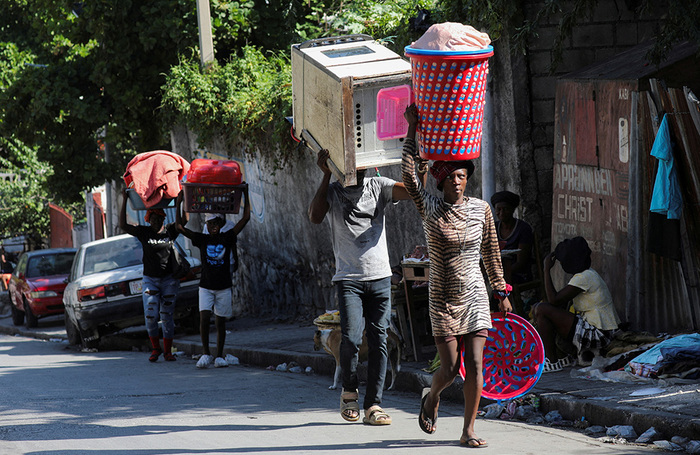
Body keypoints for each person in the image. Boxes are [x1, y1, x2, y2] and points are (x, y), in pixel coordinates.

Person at [402, 104, 512, 448]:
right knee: (449, 370)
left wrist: (500, 289)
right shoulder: (430, 207)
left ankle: (468, 430)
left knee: (476, 365)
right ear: (441, 181)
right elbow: (408, 177)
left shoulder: (481, 209)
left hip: (476, 295)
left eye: (462, 176)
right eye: (451, 177)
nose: (457, 182)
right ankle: (432, 396)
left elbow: (491, 252)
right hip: (442, 298)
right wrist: (412, 129)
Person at [308, 149, 417, 426]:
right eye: (349, 167)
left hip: (379, 277)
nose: (356, 172)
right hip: (349, 279)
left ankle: (374, 405)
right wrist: (325, 175)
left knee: (380, 341)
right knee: (352, 339)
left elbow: (414, 192)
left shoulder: (379, 186)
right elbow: (315, 216)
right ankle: (349, 394)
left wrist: (418, 167)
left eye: (360, 166)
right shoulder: (332, 192)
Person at [175, 185, 250, 369]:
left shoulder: (227, 237)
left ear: (221, 224)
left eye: (217, 223)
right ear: (207, 225)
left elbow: (245, 218)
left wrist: (246, 194)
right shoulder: (202, 239)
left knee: (220, 322)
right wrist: (179, 202)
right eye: (211, 224)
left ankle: (219, 355)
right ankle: (206, 354)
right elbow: (178, 226)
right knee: (203, 318)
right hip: (206, 286)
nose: (214, 226)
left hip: (223, 286)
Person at [532, 236, 621, 372]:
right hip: (597, 332)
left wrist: (546, 270)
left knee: (542, 309)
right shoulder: (586, 275)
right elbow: (557, 304)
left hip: (600, 335)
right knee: (541, 310)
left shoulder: (584, 277)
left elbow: (553, 301)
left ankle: (552, 361)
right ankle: (561, 357)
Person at [119, 189, 181, 362]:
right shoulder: (144, 233)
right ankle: (156, 349)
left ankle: (168, 351)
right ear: (148, 219)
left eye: (159, 218)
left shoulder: (170, 231)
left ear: (163, 218)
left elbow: (184, 221)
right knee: (151, 314)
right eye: (153, 219)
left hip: (169, 280)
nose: (156, 222)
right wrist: (124, 200)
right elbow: (123, 225)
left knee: (167, 315)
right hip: (150, 281)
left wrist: (181, 201)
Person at [491, 190, 534, 285]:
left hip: (517, 273)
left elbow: (521, 263)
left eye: (505, 209)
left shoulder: (523, 229)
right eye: (498, 209)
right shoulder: (493, 228)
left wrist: (501, 273)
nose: (501, 213)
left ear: (512, 210)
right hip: (498, 273)